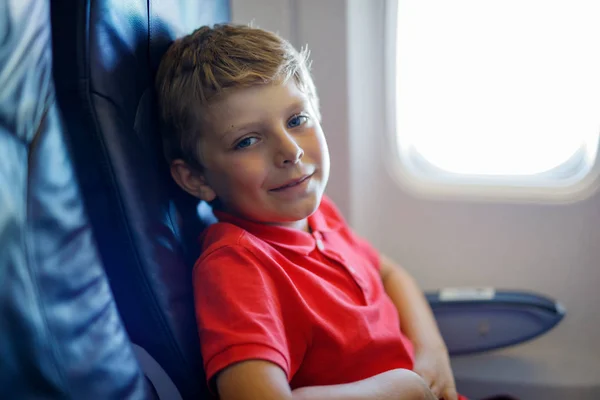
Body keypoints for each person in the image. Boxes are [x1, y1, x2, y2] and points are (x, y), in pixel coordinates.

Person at [155, 23, 464, 400]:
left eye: (297, 120)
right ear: (196, 178)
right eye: (247, 140)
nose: (290, 151)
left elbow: (387, 272)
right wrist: (398, 390)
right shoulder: (238, 266)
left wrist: (433, 352)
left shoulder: (317, 216)